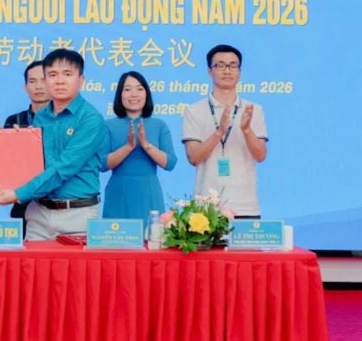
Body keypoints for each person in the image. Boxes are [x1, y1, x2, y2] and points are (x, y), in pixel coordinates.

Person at [0, 49, 107, 240]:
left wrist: (17, 194)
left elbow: (63, 168)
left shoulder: (90, 119)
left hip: (76, 214)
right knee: (34, 270)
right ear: (45, 80)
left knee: (75, 270)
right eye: (52, 75)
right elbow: (34, 163)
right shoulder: (41, 117)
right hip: (38, 212)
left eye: (67, 74)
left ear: (82, 80)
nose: (59, 81)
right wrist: (20, 145)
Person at [182, 44, 268, 218]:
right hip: (206, 209)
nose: (227, 71)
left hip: (245, 206)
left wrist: (246, 130)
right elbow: (194, 157)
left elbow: (260, 156)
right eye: (220, 65)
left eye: (233, 65)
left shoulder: (254, 110)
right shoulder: (194, 110)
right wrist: (219, 132)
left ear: (239, 72)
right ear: (209, 71)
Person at [100, 71, 177, 219]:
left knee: (151, 238)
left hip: (149, 191)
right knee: (118, 239)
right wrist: (128, 147)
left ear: (146, 94)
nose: (134, 94)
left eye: (139, 89)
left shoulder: (159, 125)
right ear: (120, 95)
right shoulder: (108, 125)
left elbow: (170, 163)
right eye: (127, 89)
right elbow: (102, 164)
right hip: (119, 191)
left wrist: (146, 145)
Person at [3, 60, 50, 222]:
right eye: (32, 81)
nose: (38, 86)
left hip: (55, 196)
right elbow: (4, 161)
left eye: (44, 80)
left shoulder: (65, 121)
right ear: (25, 88)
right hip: (22, 198)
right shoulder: (14, 120)